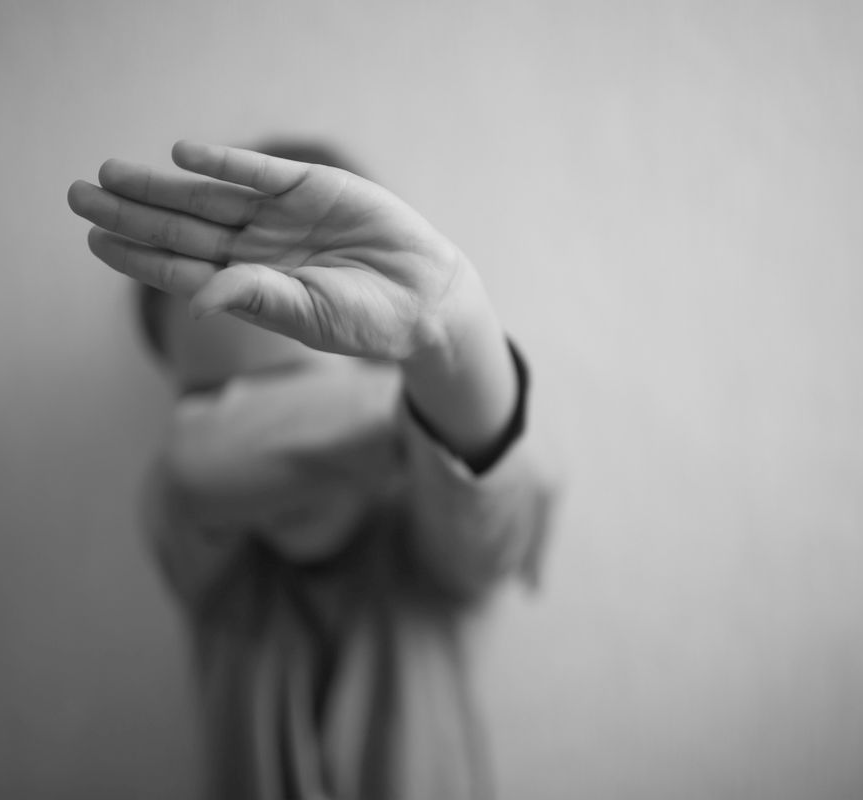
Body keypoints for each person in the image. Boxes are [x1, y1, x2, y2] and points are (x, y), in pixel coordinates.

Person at [67, 139, 557, 800]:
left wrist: (448, 330)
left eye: (285, 389)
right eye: (206, 402)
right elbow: (194, 465)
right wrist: (419, 412)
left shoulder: (433, 551)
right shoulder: (212, 566)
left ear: (377, 361)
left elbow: (500, 515)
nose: (245, 430)